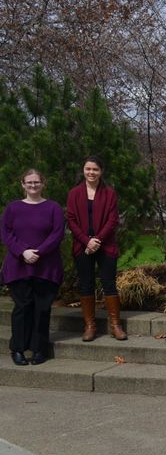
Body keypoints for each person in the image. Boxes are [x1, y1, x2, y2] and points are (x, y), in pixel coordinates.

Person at [1, 169, 65, 365]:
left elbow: (57, 233)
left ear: (43, 183)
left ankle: (39, 349)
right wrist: (23, 251)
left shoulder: (53, 207)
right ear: (22, 184)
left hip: (46, 266)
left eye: (36, 182)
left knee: (42, 309)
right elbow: (5, 232)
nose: (33, 186)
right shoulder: (13, 208)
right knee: (22, 308)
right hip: (18, 266)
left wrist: (38, 252)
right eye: (29, 182)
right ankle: (18, 349)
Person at [66, 156, 126, 341]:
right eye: (88, 169)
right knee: (86, 285)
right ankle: (89, 325)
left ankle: (115, 325)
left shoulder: (109, 193)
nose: (91, 172)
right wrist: (86, 241)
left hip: (105, 245)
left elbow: (112, 220)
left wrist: (97, 240)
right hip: (82, 246)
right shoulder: (74, 193)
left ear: (101, 172)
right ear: (83, 170)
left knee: (109, 284)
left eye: (95, 169)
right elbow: (71, 220)